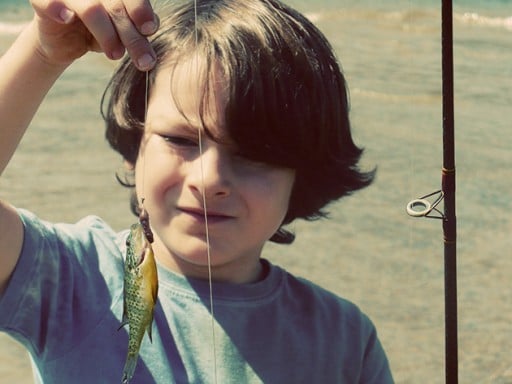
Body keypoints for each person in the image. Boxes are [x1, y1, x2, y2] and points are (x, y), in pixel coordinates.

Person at [0, 0, 394, 382]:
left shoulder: (344, 340)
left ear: (304, 172)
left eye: (255, 154)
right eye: (180, 139)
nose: (209, 179)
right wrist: (43, 51)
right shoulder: (71, 280)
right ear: (134, 144)